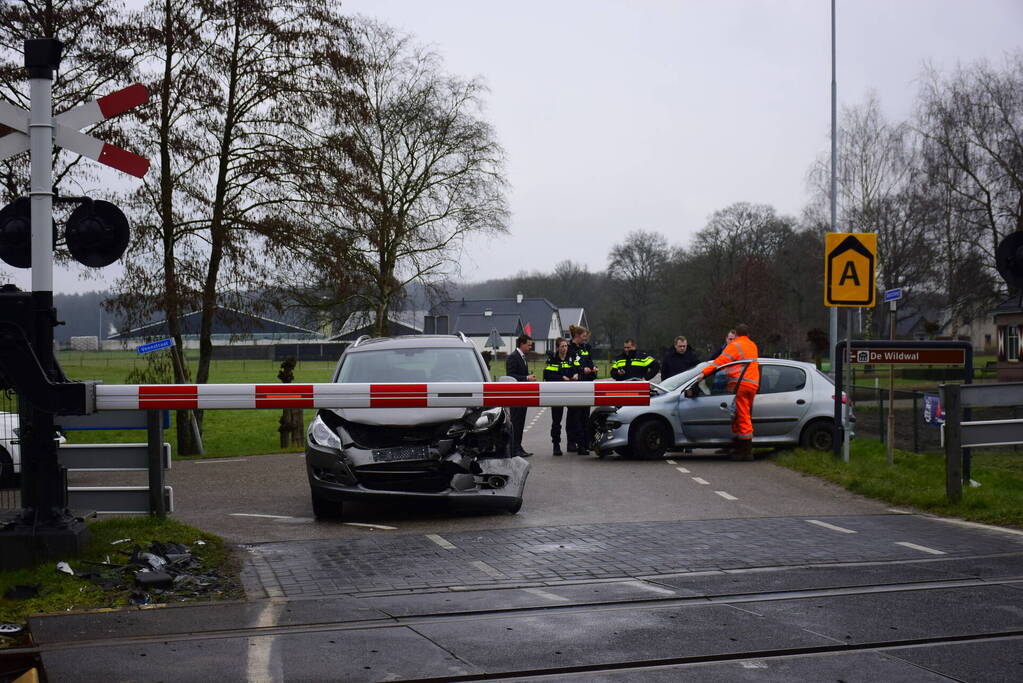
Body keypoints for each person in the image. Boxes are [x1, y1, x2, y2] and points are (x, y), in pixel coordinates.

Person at [701, 323, 759, 461]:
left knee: (743, 416)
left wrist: (704, 373)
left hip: (741, 384)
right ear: (748, 334)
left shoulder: (735, 345)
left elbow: (719, 362)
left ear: (737, 335)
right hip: (753, 384)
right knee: (740, 415)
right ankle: (739, 447)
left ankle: (745, 451)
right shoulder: (752, 345)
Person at [543, 338, 576, 456]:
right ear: (557, 348)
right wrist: (561, 378)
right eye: (562, 346)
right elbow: (548, 375)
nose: (565, 348)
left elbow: (576, 369)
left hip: (571, 392)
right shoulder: (552, 359)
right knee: (556, 421)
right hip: (557, 393)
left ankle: (571, 443)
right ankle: (556, 445)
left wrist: (577, 375)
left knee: (572, 420)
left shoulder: (571, 358)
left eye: (566, 346)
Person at [566, 324, 595, 454]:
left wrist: (592, 370)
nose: (585, 339)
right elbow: (569, 367)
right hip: (574, 387)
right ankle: (574, 442)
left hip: (586, 385)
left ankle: (583, 442)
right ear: (577, 336)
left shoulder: (585, 348)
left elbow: (590, 362)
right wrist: (582, 370)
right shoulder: (569, 349)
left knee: (584, 415)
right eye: (583, 336)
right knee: (574, 416)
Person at [505, 333, 535, 457]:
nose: (530, 348)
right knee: (516, 423)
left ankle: (518, 446)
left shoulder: (522, 357)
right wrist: (526, 378)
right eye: (528, 345)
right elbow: (511, 376)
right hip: (516, 397)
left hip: (523, 397)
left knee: (521, 423)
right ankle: (514, 448)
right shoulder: (513, 357)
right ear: (522, 344)